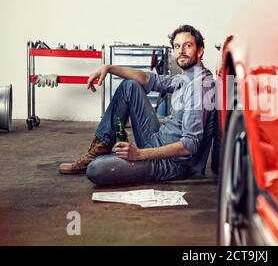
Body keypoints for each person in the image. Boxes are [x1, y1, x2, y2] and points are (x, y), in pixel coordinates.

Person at [58, 25, 216, 186]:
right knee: (130, 86)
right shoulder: (187, 77)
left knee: (95, 169)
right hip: (157, 140)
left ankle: (108, 159)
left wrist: (140, 154)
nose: (181, 50)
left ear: (200, 51)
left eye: (187, 45)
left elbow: (190, 145)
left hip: (171, 163)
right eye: (177, 46)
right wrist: (109, 68)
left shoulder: (199, 86)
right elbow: (150, 79)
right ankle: (100, 148)